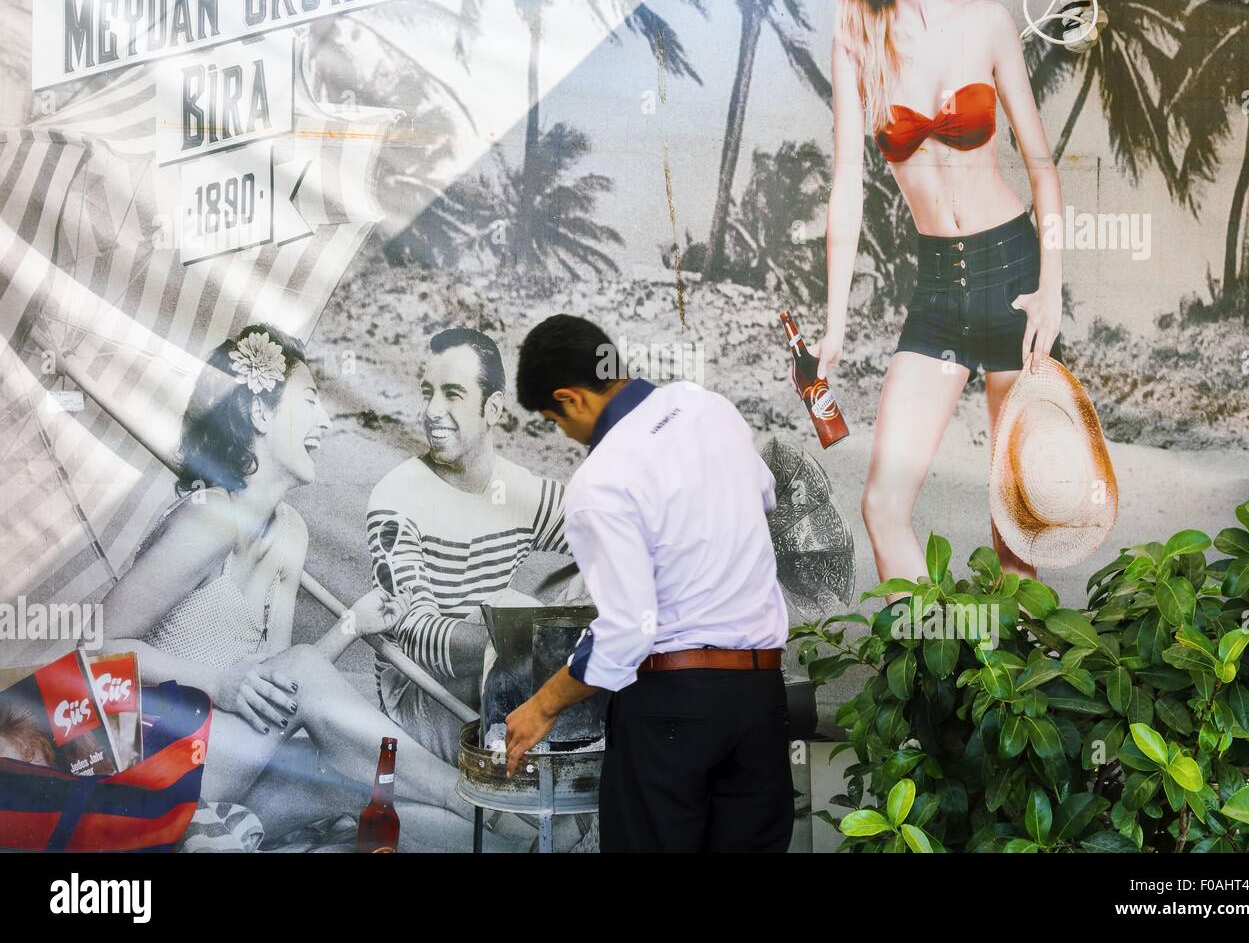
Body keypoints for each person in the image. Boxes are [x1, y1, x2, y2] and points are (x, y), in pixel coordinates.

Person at [98, 323, 523, 851]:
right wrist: (217, 682)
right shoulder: (207, 520)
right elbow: (96, 649)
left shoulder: (290, 531)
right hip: (156, 770)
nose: (325, 420)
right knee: (331, 720)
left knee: (367, 790)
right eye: (310, 401)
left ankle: (517, 844)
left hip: (229, 767)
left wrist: (351, 625)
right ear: (259, 414)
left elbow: (286, 693)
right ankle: (477, 798)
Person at [808, 0, 1068, 592]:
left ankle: (1011, 692)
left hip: (1014, 274)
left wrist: (1050, 289)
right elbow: (846, 192)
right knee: (882, 505)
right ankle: (939, 668)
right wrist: (834, 330)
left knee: (1017, 517)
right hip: (936, 291)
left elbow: (1043, 170)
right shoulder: (856, 47)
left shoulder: (986, 23)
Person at [505, 315, 794, 853]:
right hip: (759, 697)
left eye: (552, 419)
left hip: (671, 707)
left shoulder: (600, 481)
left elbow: (627, 633)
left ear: (569, 399)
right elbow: (764, 495)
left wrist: (544, 704)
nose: (563, 434)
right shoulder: (711, 408)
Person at [365, 327, 569, 763]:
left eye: (452, 394)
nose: (433, 411)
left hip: (498, 685)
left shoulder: (521, 492)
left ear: (492, 407)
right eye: (428, 392)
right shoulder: (396, 496)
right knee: (509, 607)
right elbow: (413, 633)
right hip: (418, 695)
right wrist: (531, 648)